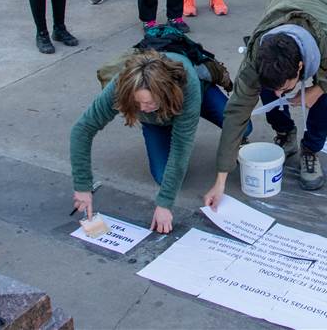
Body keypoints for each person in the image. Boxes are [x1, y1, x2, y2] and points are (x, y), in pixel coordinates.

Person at [202, 0, 327, 202]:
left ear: (300, 66)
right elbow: (235, 113)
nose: (280, 96)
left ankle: (310, 150)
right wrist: (220, 181)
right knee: (269, 86)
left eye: (285, 87)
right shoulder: (255, 60)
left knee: (326, 89)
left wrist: (317, 89)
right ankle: (285, 133)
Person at [70, 51, 231, 233]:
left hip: (196, 95)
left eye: (149, 103)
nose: (142, 109)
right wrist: (82, 186)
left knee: (242, 127)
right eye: (137, 102)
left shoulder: (187, 85)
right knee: (164, 176)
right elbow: (82, 130)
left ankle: (187, 111)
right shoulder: (121, 86)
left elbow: (181, 147)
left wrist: (164, 204)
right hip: (159, 119)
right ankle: (157, 127)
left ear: (166, 93)